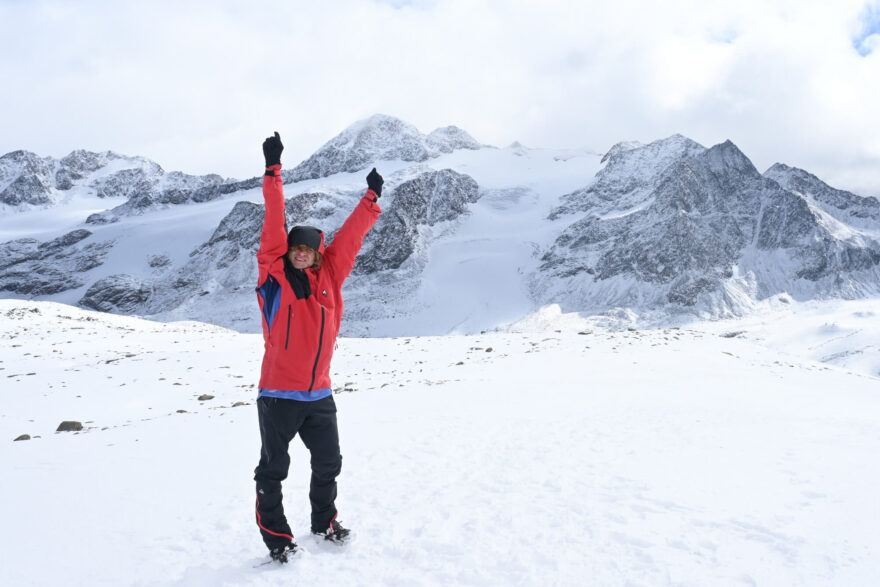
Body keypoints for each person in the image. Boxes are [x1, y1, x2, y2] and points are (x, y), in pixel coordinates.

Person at [253, 131, 383, 563]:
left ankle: (324, 522)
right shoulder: (274, 277)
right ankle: (277, 538)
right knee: (274, 470)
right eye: (296, 249)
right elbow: (275, 220)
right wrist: (274, 170)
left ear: (318, 253)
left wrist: (369, 200)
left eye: (309, 249)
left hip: (319, 394)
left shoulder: (330, 278)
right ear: (287, 252)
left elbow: (349, 239)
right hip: (278, 395)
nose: (302, 254)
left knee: (329, 463)